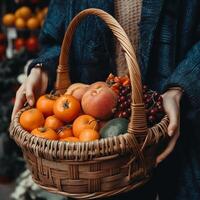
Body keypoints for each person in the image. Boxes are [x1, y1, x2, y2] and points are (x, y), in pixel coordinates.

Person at [11, 0, 200, 200]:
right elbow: (56, 37)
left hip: (175, 123)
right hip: (90, 159)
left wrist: (180, 87)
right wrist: (44, 69)